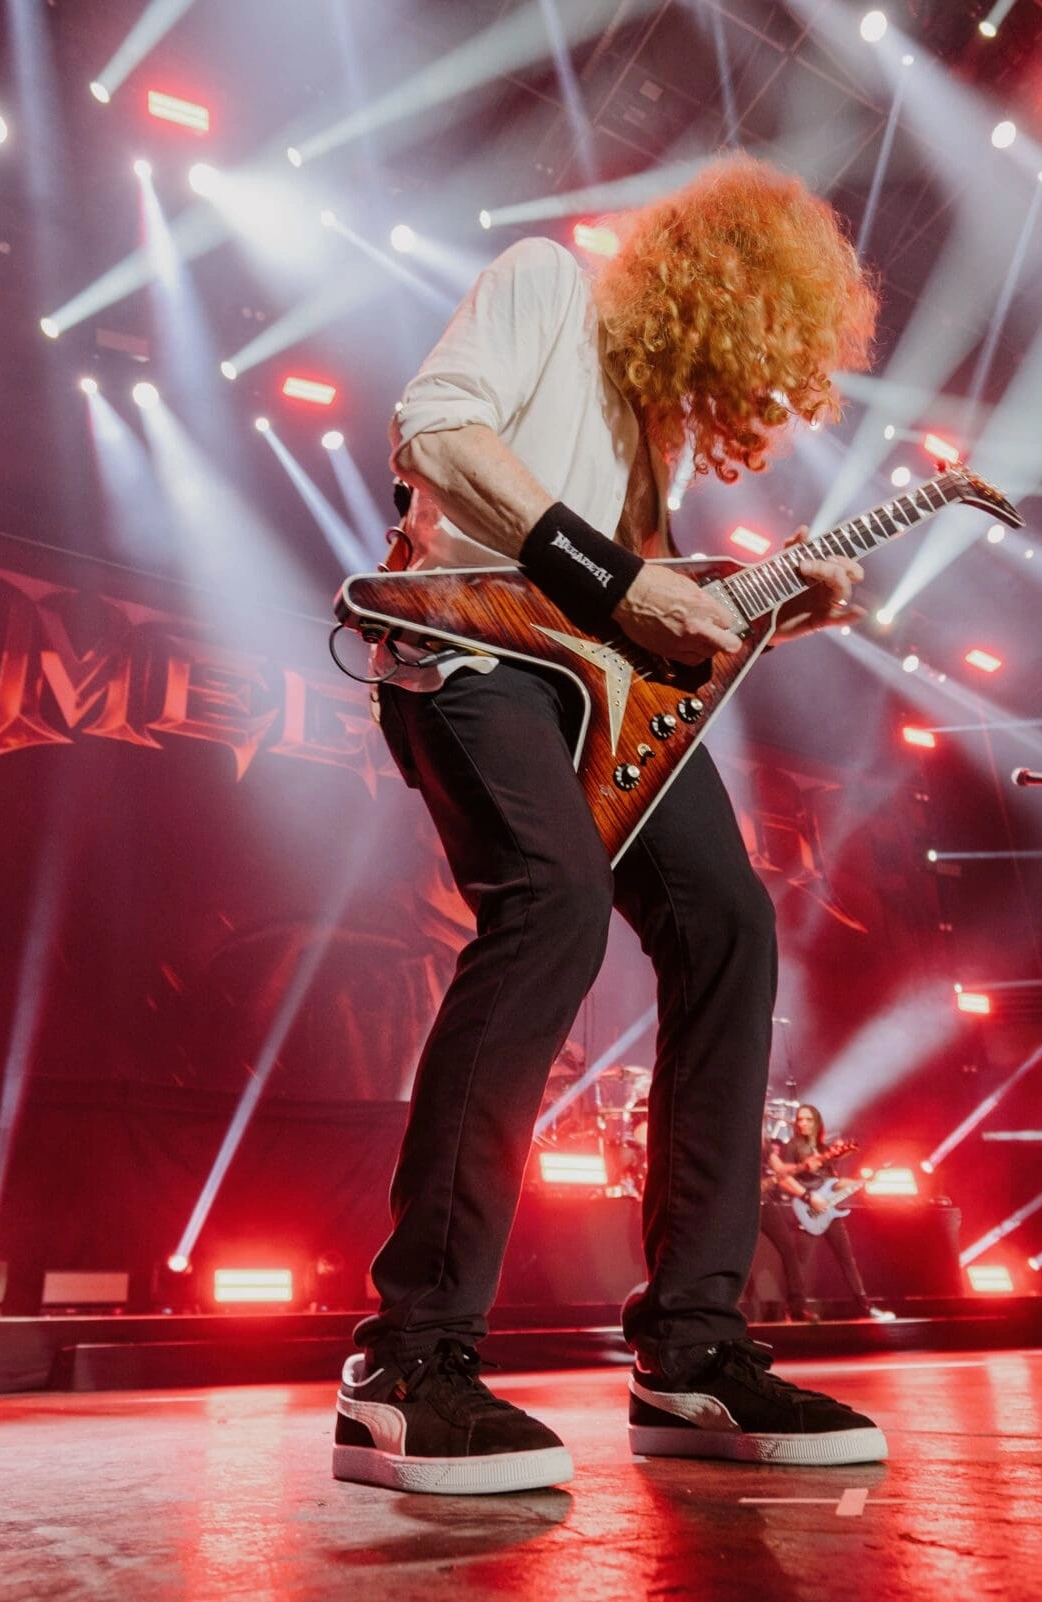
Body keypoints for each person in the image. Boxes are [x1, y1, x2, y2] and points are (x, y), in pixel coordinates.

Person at [334, 156, 888, 1495]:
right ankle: (406, 1360)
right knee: (554, 903)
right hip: (468, 656)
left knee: (732, 928)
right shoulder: (548, 283)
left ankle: (693, 1349)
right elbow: (436, 431)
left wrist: (766, 609)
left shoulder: (657, 425)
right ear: (712, 288)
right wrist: (623, 576)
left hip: (590, 697)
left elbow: (641, 622)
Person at [755, 1104, 888, 1323]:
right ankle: (789, 1307)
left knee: (840, 1257)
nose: (802, 1123)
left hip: (820, 1207)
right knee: (793, 1258)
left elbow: (828, 1181)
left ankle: (860, 1304)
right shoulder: (791, 1146)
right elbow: (786, 1179)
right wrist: (807, 1196)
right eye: (800, 1119)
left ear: (817, 1122)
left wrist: (857, 1182)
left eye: (808, 1119)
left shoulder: (815, 1147)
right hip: (803, 1208)